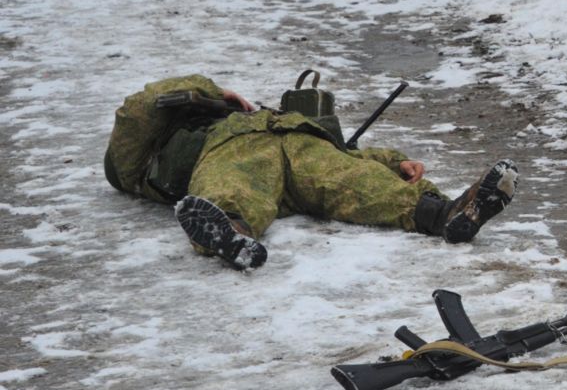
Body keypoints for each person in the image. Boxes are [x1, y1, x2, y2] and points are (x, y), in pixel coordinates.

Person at [103, 74, 516, 270]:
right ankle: (228, 233)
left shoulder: (283, 122)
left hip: (304, 145)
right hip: (237, 152)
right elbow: (136, 109)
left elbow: (350, 157)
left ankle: (449, 215)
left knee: (349, 178)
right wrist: (214, 92)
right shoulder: (147, 155)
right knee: (235, 184)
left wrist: (392, 161)